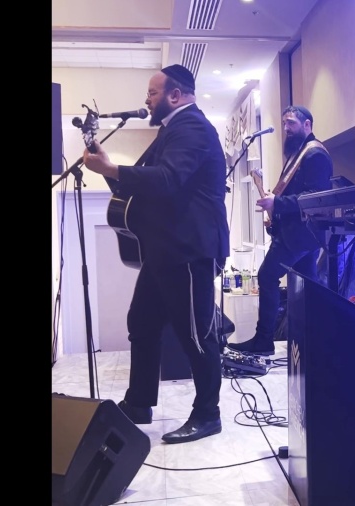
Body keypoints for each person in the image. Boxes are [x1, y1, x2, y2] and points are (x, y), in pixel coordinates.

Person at [83, 64, 230, 444]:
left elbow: (167, 179)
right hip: (166, 249)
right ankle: (139, 403)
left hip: (189, 250)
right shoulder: (172, 129)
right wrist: (108, 168)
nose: (147, 100)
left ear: (174, 95)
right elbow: (146, 183)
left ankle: (208, 414)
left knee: (195, 335)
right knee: (143, 322)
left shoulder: (193, 127)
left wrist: (113, 168)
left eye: (152, 93)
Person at [227, 105, 333, 356]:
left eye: (291, 123)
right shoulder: (299, 153)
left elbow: (314, 198)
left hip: (299, 235)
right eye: (284, 123)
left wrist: (278, 204)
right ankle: (312, 341)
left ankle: (264, 340)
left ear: (307, 125)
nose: (286, 128)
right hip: (301, 234)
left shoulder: (314, 154)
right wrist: (275, 206)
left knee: (266, 276)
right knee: (306, 287)